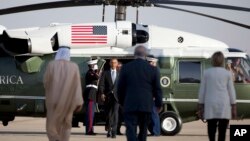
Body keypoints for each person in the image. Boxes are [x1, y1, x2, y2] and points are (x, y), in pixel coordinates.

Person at [117, 46, 163, 141]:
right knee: (143, 130)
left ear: (134, 55)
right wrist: (159, 104)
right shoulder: (153, 70)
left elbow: (120, 88)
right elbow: (157, 89)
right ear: (145, 55)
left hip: (130, 105)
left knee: (130, 130)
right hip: (146, 105)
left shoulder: (125, 68)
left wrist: (122, 103)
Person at [44, 47, 83, 141]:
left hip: (53, 101)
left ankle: (55, 138)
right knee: (66, 124)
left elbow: (46, 82)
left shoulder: (51, 65)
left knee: (51, 125)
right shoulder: (74, 66)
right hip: (68, 102)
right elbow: (77, 85)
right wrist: (79, 102)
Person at [198, 51, 237, 141]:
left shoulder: (206, 73)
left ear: (212, 60)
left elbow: (202, 91)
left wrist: (200, 106)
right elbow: (231, 91)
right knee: (222, 131)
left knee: (211, 128)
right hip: (224, 104)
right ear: (223, 61)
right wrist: (234, 106)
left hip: (210, 104)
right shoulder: (227, 74)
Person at [99, 58, 119, 138]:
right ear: (110, 64)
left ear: (117, 64)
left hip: (117, 97)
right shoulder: (105, 73)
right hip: (108, 96)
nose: (113, 64)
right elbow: (101, 84)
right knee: (109, 114)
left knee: (115, 113)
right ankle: (109, 129)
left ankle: (114, 132)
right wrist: (102, 93)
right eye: (112, 62)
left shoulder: (120, 73)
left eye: (115, 62)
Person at [84, 59, 100, 135]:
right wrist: (96, 71)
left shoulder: (92, 72)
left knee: (91, 113)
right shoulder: (90, 72)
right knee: (90, 114)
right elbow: (97, 77)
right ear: (92, 66)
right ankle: (89, 130)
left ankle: (90, 129)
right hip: (90, 94)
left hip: (92, 94)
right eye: (94, 65)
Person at [146, 55, 161, 136]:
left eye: (153, 63)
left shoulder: (155, 71)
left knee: (154, 115)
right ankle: (153, 131)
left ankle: (156, 132)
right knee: (150, 115)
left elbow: (156, 86)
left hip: (152, 97)